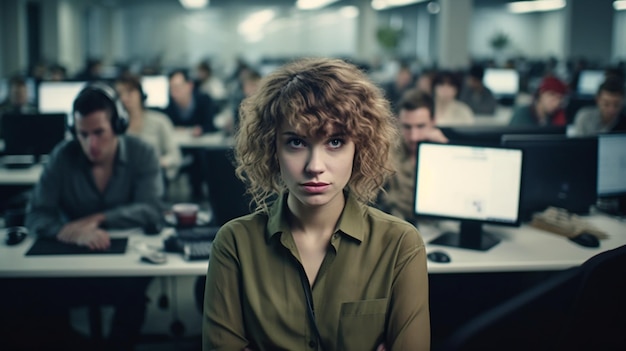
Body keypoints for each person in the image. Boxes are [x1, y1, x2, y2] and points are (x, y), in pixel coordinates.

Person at [202, 58, 430, 350]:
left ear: (359, 148)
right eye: (296, 142)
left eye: (335, 142)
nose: (315, 166)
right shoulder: (234, 244)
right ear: (272, 149)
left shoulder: (400, 244)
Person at [24, 83, 163, 350]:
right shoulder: (62, 156)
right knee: (34, 297)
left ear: (118, 126)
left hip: (126, 266)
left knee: (133, 295)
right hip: (73, 262)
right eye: (83, 134)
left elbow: (152, 208)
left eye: (99, 132)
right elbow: (37, 214)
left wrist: (99, 218)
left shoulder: (142, 152)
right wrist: (67, 232)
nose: (91, 144)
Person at [381, 88, 448, 224]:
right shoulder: (388, 151)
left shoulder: (446, 154)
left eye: (420, 126)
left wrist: (446, 154)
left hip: (438, 227)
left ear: (433, 121)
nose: (413, 136)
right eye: (407, 127)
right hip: (398, 225)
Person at [115, 74, 182, 183]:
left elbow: (175, 157)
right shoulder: (117, 126)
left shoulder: (160, 121)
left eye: (129, 92)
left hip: (153, 178)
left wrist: (156, 162)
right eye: (120, 94)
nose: (124, 98)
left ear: (140, 94)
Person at [163, 68, 218, 201]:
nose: (174, 92)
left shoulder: (204, 100)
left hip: (200, 146)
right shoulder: (169, 106)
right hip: (179, 147)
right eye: (171, 88)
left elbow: (211, 126)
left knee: (201, 162)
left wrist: (201, 130)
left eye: (178, 87)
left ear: (189, 86)